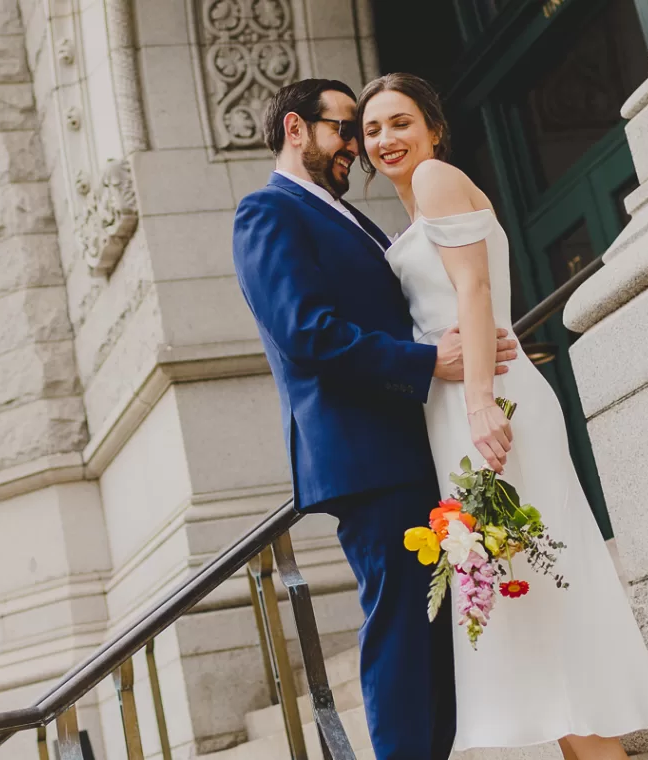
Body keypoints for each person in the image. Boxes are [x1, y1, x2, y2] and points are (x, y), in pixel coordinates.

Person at [356, 72, 648, 760]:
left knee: (538, 588)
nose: (386, 138)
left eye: (400, 122)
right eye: (373, 129)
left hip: (489, 405)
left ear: (433, 129)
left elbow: (473, 289)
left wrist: (477, 402)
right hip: (455, 411)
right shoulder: (412, 213)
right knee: (515, 594)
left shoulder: (440, 177)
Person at [231, 79, 519, 760]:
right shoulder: (267, 212)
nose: (356, 149)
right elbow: (309, 334)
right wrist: (427, 363)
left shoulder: (345, 216)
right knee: (401, 633)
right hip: (367, 456)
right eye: (345, 130)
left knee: (437, 633)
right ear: (296, 129)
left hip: (412, 443)